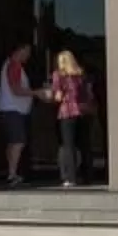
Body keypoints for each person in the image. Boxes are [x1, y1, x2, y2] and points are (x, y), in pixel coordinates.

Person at [49, 47, 96, 188]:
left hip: (67, 112)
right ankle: (88, 176)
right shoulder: (81, 74)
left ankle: (71, 178)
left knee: (68, 145)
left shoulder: (59, 75)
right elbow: (89, 94)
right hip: (83, 111)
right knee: (84, 144)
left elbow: (58, 96)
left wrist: (51, 95)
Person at [0, 37, 36, 187]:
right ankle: (12, 174)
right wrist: (37, 93)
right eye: (27, 51)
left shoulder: (10, 65)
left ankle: (12, 173)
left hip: (11, 110)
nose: (28, 55)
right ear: (19, 50)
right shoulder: (14, 65)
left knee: (13, 142)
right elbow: (16, 89)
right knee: (18, 141)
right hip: (13, 110)